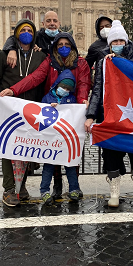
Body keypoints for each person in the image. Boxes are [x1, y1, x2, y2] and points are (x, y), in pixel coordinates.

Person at [0, 31, 91, 199]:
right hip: (51, 110)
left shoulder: (81, 63)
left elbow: (84, 84)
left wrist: (83, 100)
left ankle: (74, 187)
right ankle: (53, 186)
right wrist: (14, 90)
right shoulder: (49, 62)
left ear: (72, 46)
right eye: (60, 45)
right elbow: (34, 78)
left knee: (72, 149)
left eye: (67, 45)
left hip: (72, 112)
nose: (64, 48)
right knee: (52, 150)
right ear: (55, 47)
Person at [84, 20, 133, 208]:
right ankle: (114, 192)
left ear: (126, 42)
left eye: (121, 41)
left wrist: (123, 64)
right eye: (115, 42)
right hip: (110, 113)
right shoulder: (103, 62)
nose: (118, 44)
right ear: (110, 44)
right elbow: (97, 90)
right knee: (111, 153)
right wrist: (90, 116)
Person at [0, 19, 47, 207]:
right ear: (17, 34)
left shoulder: (40, 55)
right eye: (23, 30)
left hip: (31, 108)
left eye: (30, 30)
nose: (27, 32)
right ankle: (9, 188)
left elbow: (43, 81)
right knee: (9, 148)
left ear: (34, 34)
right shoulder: (5, 55)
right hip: (9, 108)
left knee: (27, 147)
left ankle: (22, 185)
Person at [39, 70, 82, 204]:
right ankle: (44, 190)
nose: (65, 90)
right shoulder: (47, 98)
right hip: (51, 139)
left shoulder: (71, 98)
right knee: (48, 166)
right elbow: (41, 112)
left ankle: (74, 189)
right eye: (63, 87)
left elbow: (74, 113)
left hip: (65, 138)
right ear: (57, 85)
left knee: (70, 165)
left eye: (68, 89)